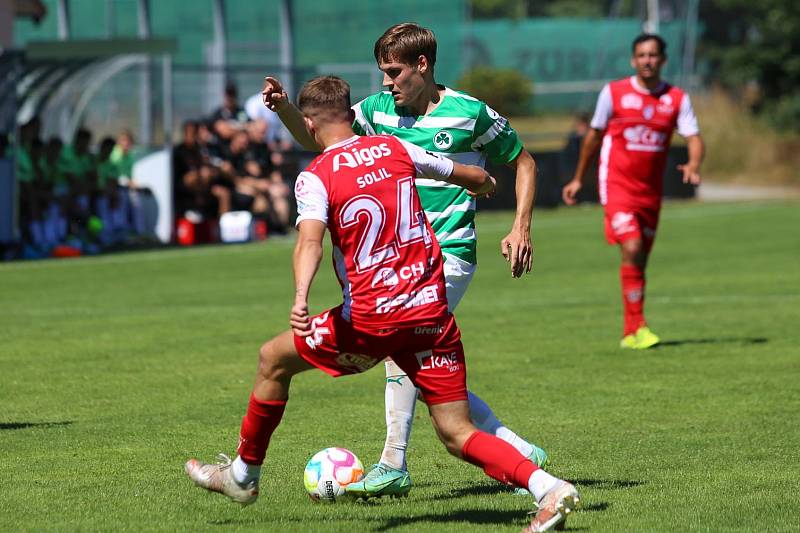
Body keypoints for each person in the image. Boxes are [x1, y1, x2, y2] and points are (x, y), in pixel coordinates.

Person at [184, 76, 579, 532]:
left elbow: (310, 242)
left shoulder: (315, 178)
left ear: (310, 127)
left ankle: (242, 475)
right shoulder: (394, 149)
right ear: (353, 117)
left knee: (272, 359)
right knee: (456, 431)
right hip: (430, 310)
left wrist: (300, 298)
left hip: (373, 320)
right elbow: (465, 174)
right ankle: (548, 487)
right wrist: (484, 182)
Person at [261, 22, 546, 499]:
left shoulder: (469, 113)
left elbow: (524, 162)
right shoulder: (374, 112)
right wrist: (287, 108)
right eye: (382, 73)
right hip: (399, 263)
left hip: (449, 254)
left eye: (394, 72)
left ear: (422, 66)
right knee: (415, 360)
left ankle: (393, 462)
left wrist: (521, 226)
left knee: (400, 349)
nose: (387, 83)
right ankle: (514, 450)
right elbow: (320, 139)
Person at [562, 34, 705, 349]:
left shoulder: (676, 99)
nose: (647, 60)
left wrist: (693, 164)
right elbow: (593, 137)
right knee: (632, 245)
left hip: (650, 194)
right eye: (642, 55)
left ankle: (632, 331)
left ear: (663, 60)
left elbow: (694, 137)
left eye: (653, 55)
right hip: (617, 186)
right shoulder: (614, 93)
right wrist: (577, 179)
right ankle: (638, 327)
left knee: (639, 260)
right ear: (633, 60)